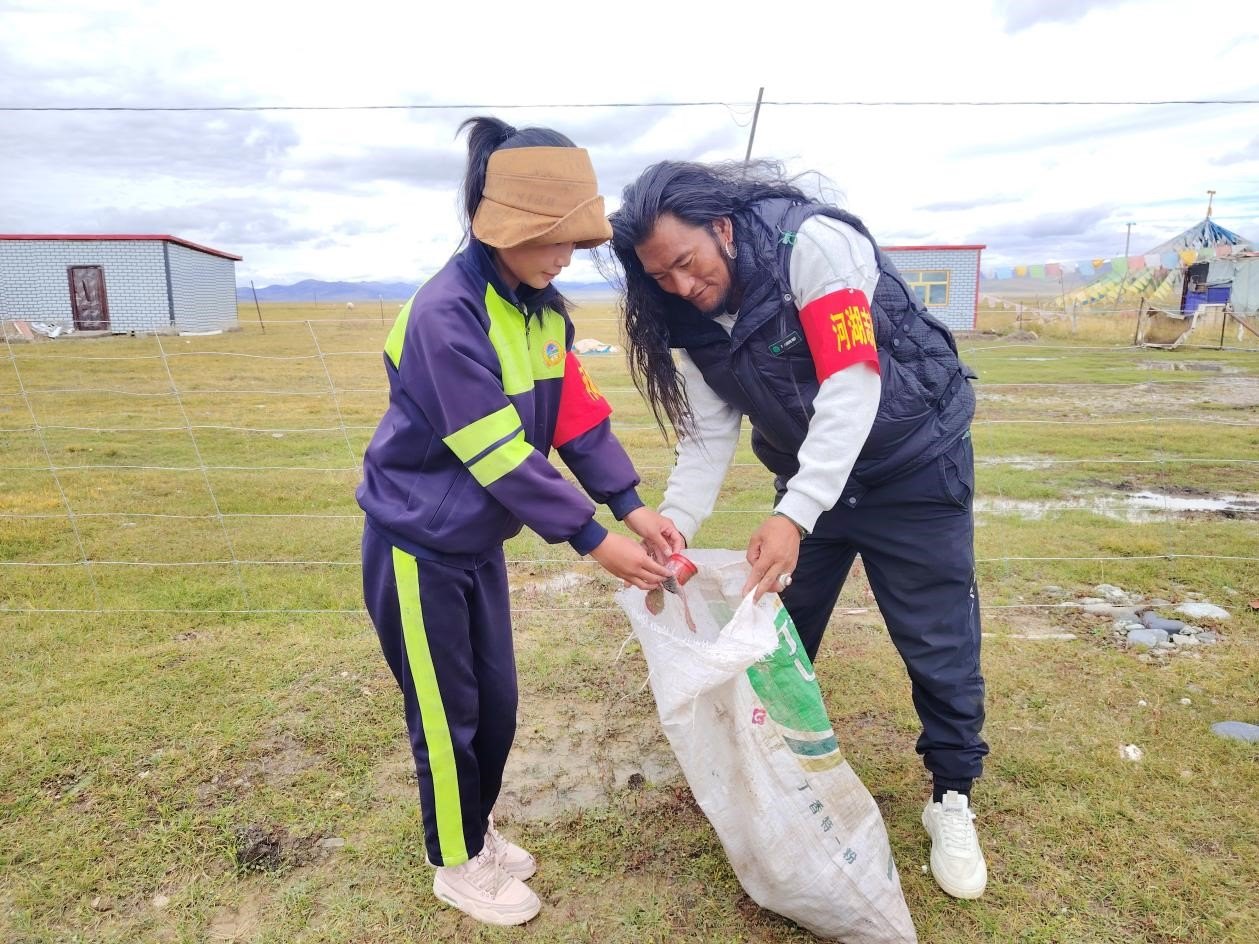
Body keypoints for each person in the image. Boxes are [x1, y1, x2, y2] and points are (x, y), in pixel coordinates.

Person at [607, 160, 988, 900]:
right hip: (810, 482)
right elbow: (706, 434)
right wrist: (673, 525)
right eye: (660, 276)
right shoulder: (685, 315)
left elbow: (853, 382)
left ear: (722, 228)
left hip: (913, 467)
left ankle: (951, 794)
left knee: (937, 638)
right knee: (774, 633)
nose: (681, 285)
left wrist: (792, 513)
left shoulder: (814, 246)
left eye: (686, 262)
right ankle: (780, 785)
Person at [356, 117, 683, 926]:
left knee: (495, 704)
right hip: (416, 546)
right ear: (503, 225)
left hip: (476, 547)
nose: (563, 256)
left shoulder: (543, 315)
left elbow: (576, 416)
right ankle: (455, 862)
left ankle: (476, 831)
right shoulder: (445, 316)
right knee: (448, 714)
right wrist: (595, 540)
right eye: (551, 239)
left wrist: (632, 505)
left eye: (574, 240)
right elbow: (496, 453)